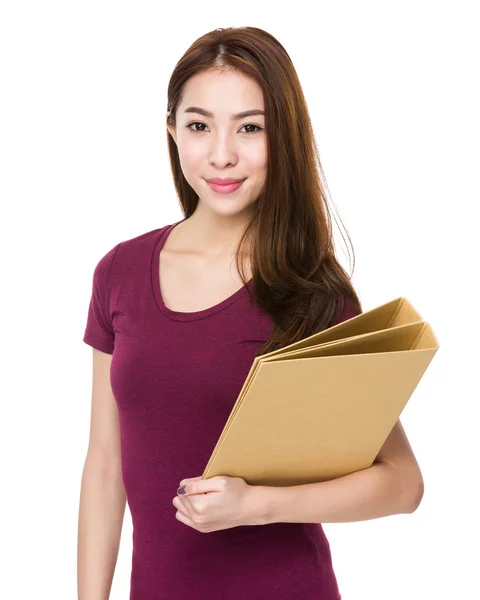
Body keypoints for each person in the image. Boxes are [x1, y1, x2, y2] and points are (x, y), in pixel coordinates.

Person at [77, 26, 424, 600]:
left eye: (250, 128)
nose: (221, 154)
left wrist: (259, 504)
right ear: (172, 131)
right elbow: (104, 466)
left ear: (282, 136)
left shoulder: (311, 290)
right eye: (198, 126)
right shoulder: (119, 273)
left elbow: (402, 483)